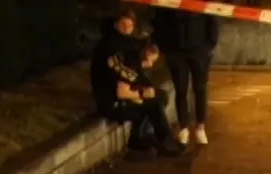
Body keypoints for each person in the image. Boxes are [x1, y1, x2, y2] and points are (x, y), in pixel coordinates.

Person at [91, 18, 181, 156]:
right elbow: (122, 91)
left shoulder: (126, 47)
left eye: (130, 25)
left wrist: (146, 90)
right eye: (124, 24)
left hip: (120, 98)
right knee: (154, 104)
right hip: (113, 104)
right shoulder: (117, 51)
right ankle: (166, 144)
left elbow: (136, 78)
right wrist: (142, 94)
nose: (127, 28)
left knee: (160, 96)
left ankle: (138, 137)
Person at [152, 3, 219, 146]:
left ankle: (200, 127)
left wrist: (209, 46)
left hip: (199, 51)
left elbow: (212, 19)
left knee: (200, 89)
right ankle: (183, 128)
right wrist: (166, 49)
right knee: (180, 89)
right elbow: (159, 22)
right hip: (176, 52)